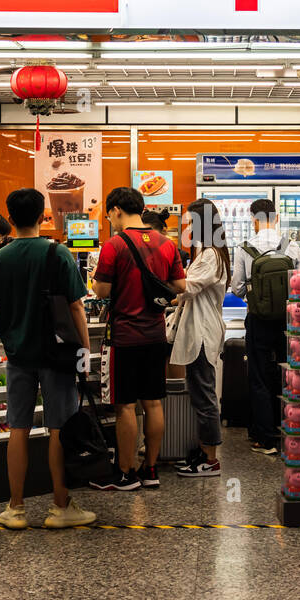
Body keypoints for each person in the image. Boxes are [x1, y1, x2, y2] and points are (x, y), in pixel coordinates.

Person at [0, 189, 96, 530]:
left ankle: (15, 508)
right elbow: (76, 307)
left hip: (19, 356)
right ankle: (60, 506)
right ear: (44, 216)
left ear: (9, 220)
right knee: (59, 428)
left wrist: (7, 335)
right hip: (56, 355)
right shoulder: (58, 253)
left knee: (18, 427)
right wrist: (84, 352)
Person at [91, 186, 186, 491]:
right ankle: (151, 469)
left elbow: (101, 291)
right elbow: (179, 285)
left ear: (116, 210)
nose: (111, 221)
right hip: (156, 335)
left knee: (125, 407)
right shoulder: (166, 243)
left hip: (125, 336)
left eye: (110, 215)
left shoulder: (114, 245)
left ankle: (126, 473)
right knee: (154, 404)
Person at [231, 197, 300, 455]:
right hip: (289, 322)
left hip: (258, 320)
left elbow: (237, 288)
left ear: (254, 220)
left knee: (259, 376)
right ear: (277, 217)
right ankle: (291, 433)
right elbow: (299, 285)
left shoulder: (244, 248)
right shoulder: (291, 247)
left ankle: (265, 438)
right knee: (288, 375)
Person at [172, 198, 231, 477]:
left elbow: (187, 288)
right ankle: (203, 451)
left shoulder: (211, 256)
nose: (186, 227)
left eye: (190, 222)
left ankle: (211, 459)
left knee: (205, 395)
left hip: (203, 333)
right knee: (198, 392)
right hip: (201, 330)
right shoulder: (208, 252)